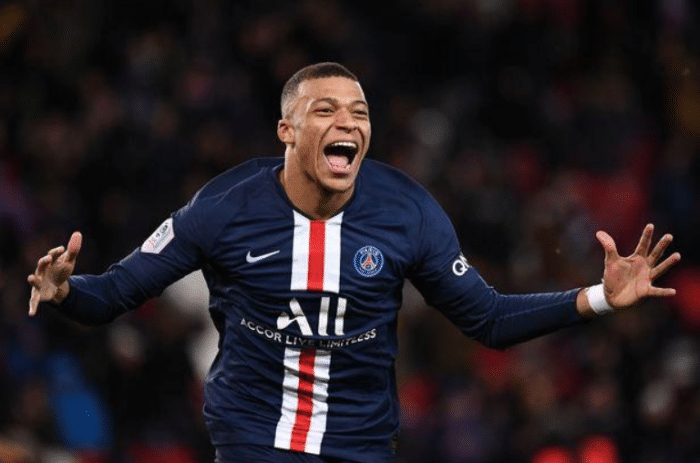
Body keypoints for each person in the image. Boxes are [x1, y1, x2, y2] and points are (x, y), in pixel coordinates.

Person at [27, 62, 681, 463]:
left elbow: (487, 318)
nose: (348, 121)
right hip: (255, 441)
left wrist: (599, 297)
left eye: (359, 112)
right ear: (287, 131)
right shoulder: (223, 207)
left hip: (361, 447)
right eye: (326, 109)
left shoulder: (408, 211)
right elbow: (113, 294)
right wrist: (65, 291)